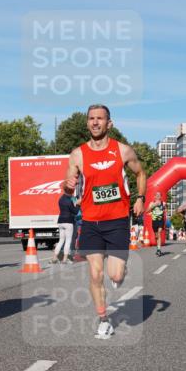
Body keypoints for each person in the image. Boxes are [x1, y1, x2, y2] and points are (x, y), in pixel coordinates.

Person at [63, 104, 146, 340]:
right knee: (95, 274)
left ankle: (120, 270)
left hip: (118, 220)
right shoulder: (77, 154)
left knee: (116, 276)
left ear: (109, 123)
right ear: (87, 122)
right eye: (91, 118)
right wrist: (67, 186)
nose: (95, 122)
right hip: (90, 222)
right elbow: (67, 186)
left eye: (100, 118)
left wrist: (140, 198)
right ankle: (103, 319)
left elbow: (140, 173)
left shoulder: (122, 151)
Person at [52, 192, 77, 264]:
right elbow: (75, 211)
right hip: (68, 221)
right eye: (72, 193)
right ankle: (65, 259)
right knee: (68, 240)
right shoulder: (69, 200)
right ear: (69, 193)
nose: (72, 194)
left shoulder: (60, 199)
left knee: (61, 240)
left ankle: (54, 258)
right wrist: (78, 205)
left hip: (60, 221)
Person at [147, 191, 166, 257]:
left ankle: (159, 250)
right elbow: (147, 210)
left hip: (160, 220)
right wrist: (154, 205)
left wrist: (163, 208)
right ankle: (158, 248)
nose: (158, 197)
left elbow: (164, 211)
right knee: (156, 236)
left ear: (160, 197)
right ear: (154, 196)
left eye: (159, 195)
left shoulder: (163, 203)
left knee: (159, 233)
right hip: (154, 221)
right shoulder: (151, 203)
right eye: (156, 195)